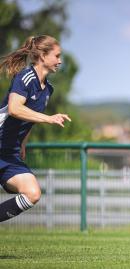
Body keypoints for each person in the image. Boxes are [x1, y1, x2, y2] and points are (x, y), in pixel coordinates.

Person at [0, 35, 71, 223]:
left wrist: (23, 143)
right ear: (42, 55)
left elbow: (29, 118)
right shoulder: (25, 77)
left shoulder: (48, 89)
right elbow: (15, 108)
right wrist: (48, 119)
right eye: (57, 56)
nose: (60, 60)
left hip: (10, 153)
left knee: (32, 194)